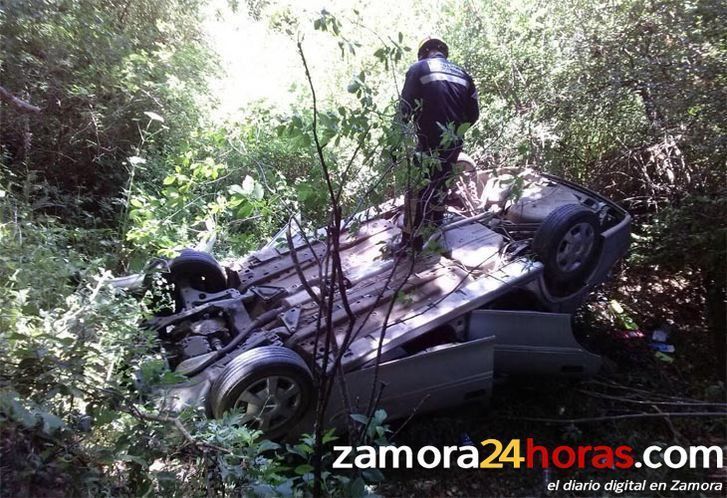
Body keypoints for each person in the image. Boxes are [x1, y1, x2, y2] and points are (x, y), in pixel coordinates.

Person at [397, 35, 479, 254]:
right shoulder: (464, 75)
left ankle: (410, 244)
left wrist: (395, 143)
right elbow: (473, 115)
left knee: (416, 191)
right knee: (440, 186)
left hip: (427, 142)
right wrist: (453, 133)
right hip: (453, 143)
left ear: (423, 52)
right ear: (443, 52)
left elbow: (404, 109)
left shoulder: (418, 69)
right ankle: (434, 231)